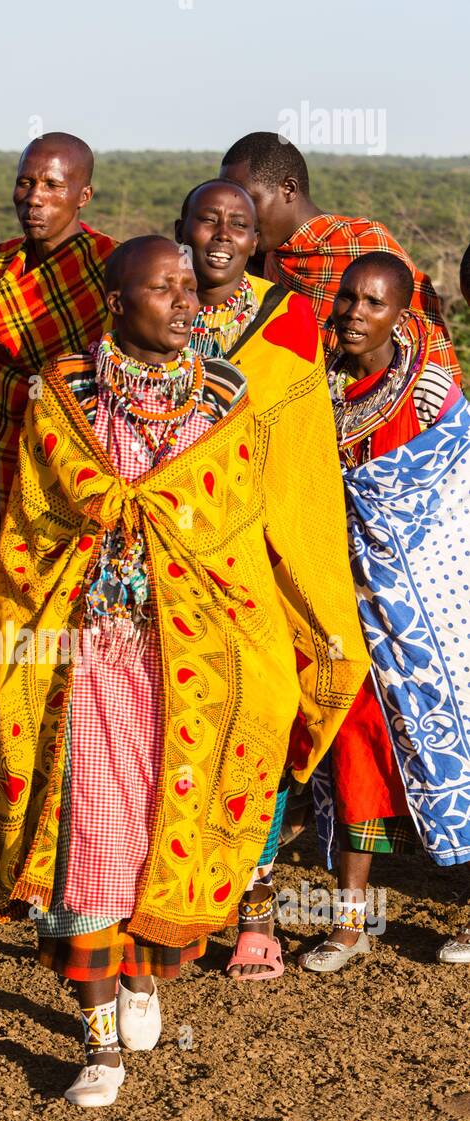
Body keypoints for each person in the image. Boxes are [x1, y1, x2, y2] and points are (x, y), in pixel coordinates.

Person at [0, 237, 367, 1107]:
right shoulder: (62, 391)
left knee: (172, 820)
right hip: (91, 648)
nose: (186, 302)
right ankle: (98, 1045)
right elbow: (33, 524)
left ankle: (144, 976)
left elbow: (237, 519)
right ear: (118, 301)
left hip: (192, 652)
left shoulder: (229, 395)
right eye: (164, 289)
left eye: (189, 288)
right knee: (92, 833)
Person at [176, 179, 369, 978]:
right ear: (182, 228)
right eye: (207, 220)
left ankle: (255, 906)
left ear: (257, 239)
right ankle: (175, 904)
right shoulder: (155, 298)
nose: (221, 235)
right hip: (165, 559)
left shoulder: (284, 316)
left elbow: (299, 451)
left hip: (255, 556)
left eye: (239, 224)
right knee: (172, 726)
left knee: (259, 718)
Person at [0, 132, 116, 989]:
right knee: (12, 713)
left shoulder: (117, 271)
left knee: (76, 725)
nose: (33, 195)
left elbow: (113, 392)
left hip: (80, 528)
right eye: (24, 182)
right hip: (1, 509)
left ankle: (47, 905)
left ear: (85, 196)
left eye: (52, 184)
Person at [296, 251, 470, 972]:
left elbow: (452, 491)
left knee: (453, 739)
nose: (355, 315)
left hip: (428, 606)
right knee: (355, 744)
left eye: (374, 304)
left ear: (403, 315)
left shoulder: (430, 393)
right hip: (340, 602)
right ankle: (351, 920)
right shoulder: (316, 388)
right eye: (347, 301)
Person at [219, 132, 461, 385]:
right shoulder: (272, 258)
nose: (240, 215)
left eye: (248, 201)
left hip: (400, 410)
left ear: (288, 189)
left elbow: (423, 356)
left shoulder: (365, 247)